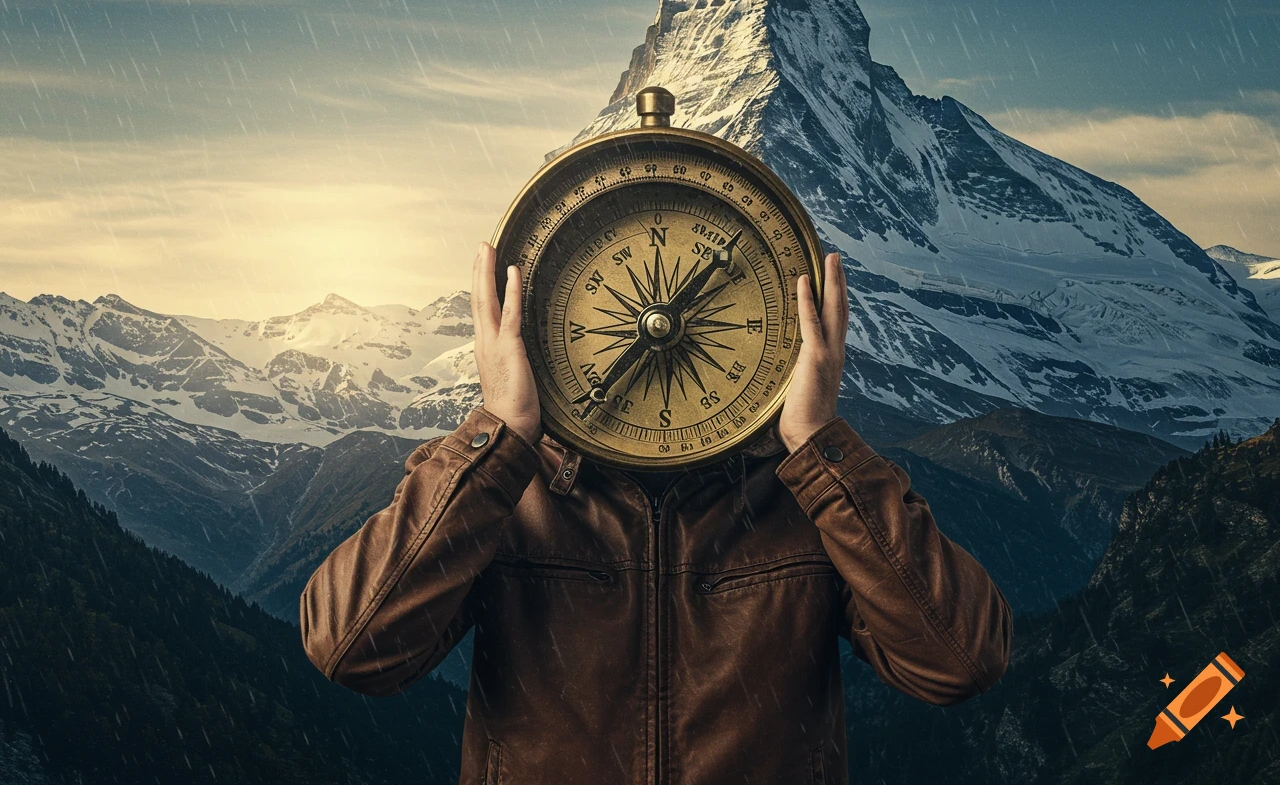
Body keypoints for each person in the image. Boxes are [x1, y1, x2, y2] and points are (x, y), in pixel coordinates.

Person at [300, 242, 1011, 784]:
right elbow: (350, 645)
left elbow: (959, 659)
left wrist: (820, 448)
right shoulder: (504, 491)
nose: (659, 323)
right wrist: (499, 440)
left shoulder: (808, 494)